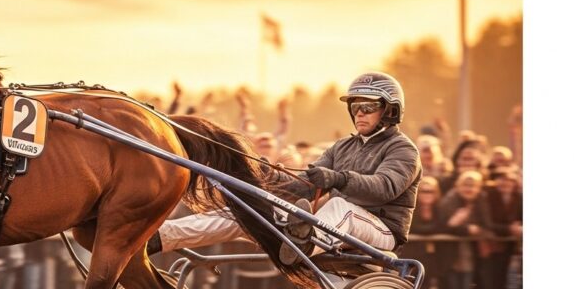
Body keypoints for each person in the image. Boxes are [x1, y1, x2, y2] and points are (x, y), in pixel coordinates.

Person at [149, 71, 422, 266]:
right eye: (355, 105)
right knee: (246, 210)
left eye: (368, 106)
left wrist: (338, 179)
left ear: (389, 111)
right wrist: (265, 173)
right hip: (329, 230)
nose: (359, 112)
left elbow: (385, 187)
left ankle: (303, 243)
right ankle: (159, 237)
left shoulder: (403, 150)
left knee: (341, 207)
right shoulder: (342, 147)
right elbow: (304, 185)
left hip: (382, 231)